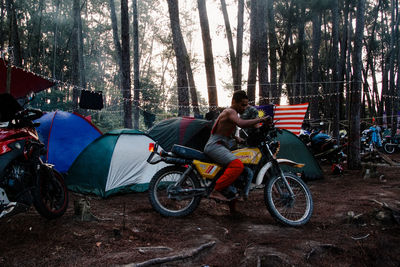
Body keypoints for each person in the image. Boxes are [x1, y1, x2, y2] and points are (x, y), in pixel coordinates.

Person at [204, 90, 270, 203]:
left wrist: (237, 138)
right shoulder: (230, 111)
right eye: (242, 105)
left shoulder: (230, 113)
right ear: (234, 101)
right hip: (215, 146)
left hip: (220, 145)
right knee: (237, 165)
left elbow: (222, 130)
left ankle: (233, 205)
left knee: (237, 171)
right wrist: (262, 119)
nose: (244, 108)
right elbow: (241, 123)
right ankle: (215, 190)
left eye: (246, 105)